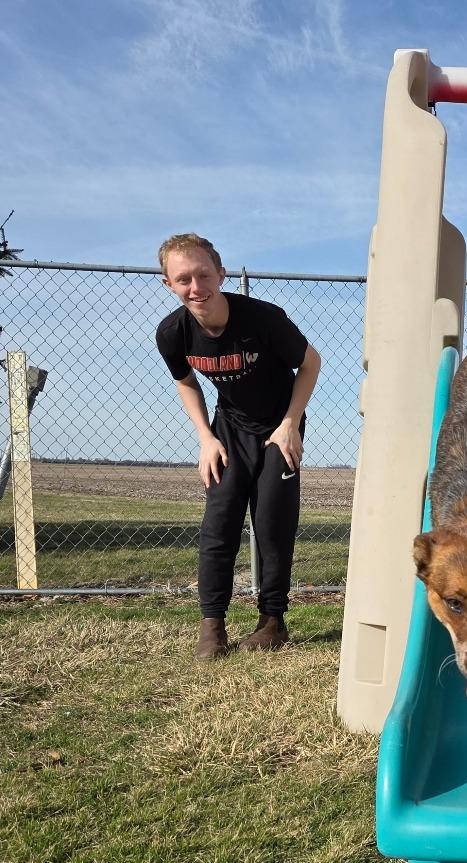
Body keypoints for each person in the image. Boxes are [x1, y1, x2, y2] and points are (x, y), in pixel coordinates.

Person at [155, 233, 321, 659]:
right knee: (219, 521)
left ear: (221, 274)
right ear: (168, 284)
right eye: (183, 279)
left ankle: (272, 622)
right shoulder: (173, 333)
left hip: (279, 426)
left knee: (272, 523)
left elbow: (310, 363)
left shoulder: (263, 319)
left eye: (203, 275)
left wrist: (290, 424)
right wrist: (205, 437)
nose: (196, 287)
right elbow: (186, 382)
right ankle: (212, 626)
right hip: (228, 429)